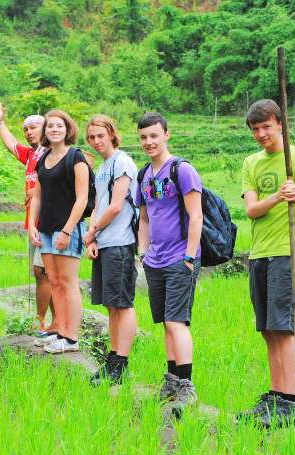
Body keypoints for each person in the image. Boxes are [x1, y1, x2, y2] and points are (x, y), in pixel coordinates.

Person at [237, 99, 295, 428]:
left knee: (283, 327)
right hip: (258, 254)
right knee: (266, 329)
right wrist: (278, 196)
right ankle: (276, 397)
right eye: (255, 129)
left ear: (280, 124)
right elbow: (251, 210)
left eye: (266, 127)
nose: (261, 134)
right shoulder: (251, 163)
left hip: (286, 254)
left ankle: (289, 402)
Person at [135, 112, 203, 415]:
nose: (149, 142)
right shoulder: (144, 175)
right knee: (165, 322)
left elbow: (196, 215)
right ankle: (172, 379)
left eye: (154, 135)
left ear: (166, 135)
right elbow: (145, 217)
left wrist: (189, 256)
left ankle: (187, 386)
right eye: (143, 137)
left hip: (180, 258)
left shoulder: (182, 170)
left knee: (177, 321)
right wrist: (143, 253)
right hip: (155, 260)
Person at [0, 103, 55, 335]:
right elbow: (11, 145)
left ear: (46, 129)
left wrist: (36, 190)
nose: (28, 132)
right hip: (33, 224)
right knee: (44, 274)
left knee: (42, 272)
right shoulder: (31, 155)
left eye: (33, 127)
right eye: (26, 129)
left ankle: (41, 321)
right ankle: (55, 321)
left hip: (49, 224)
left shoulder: (53, 154)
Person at [28, 109, 90, 354]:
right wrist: (33, 225)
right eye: (50, 126)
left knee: (67, 282)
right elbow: (37, 196)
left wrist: (66, 230)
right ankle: (60, 330)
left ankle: (71, 337)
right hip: (45, 228)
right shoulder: (43, 159)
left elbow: (82, 198)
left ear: (67, 130)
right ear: (45, 131)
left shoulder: (76, 157)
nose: (54, 130)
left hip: (67, 229)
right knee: (53, 281)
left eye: (59, 126)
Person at [83, 115, 139, 385]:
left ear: (111, 134)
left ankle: (121, 362)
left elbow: (116, 206)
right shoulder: (103, 167)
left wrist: (92, 232)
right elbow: (97, 206)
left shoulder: (122, 161)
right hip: (104, 243)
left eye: (100, 136)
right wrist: (93, 239)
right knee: (110, 305)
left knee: (122, 305)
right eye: (91, 137)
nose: (96, 141)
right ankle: (113, 359)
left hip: (120, 242)